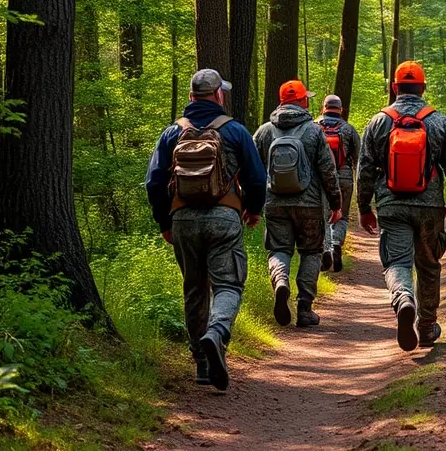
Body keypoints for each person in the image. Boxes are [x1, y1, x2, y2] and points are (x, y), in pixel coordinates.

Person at [146, 69, 267, 391]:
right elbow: (256, 177)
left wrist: (165, 222)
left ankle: (201, 362)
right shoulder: (236, 131)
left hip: (183, 220)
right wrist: (253, 210)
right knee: (228, 284)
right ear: (218, 96)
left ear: (190, 97)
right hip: (224, 217)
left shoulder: (172, 132)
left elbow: (154, 181)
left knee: (195, 288)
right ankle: (217, 333)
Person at [357, 61, 446, 352]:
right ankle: (426, 326)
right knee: (429, 265)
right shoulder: (438, 121)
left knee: (397, 262)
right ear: (423, 88)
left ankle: (403, 299)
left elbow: (365, 168)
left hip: (391, 205)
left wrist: (364, 206)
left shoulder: (379, 121)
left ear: (394, 87)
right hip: (430, 205)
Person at [253, 80, 342, 328]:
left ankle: (281, 282)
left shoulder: (264, 132)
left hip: (275, 204)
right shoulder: (314, 132)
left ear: (281, 101)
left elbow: (252, 170)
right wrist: (336, 203)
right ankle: (304, 308)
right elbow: (328, 170)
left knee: (279, 250)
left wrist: (252, 204)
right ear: (303, 101)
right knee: (311, 252)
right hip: (310, 204)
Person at [316, 94, 361, 273]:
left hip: (320, 179)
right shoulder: (348, 129)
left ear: (323, 108)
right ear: (341, 110)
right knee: (341, 216)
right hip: (343, 177)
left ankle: (326, 249)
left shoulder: (313, 127)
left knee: (324, 216)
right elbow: (360, 159)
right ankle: (336, 244)